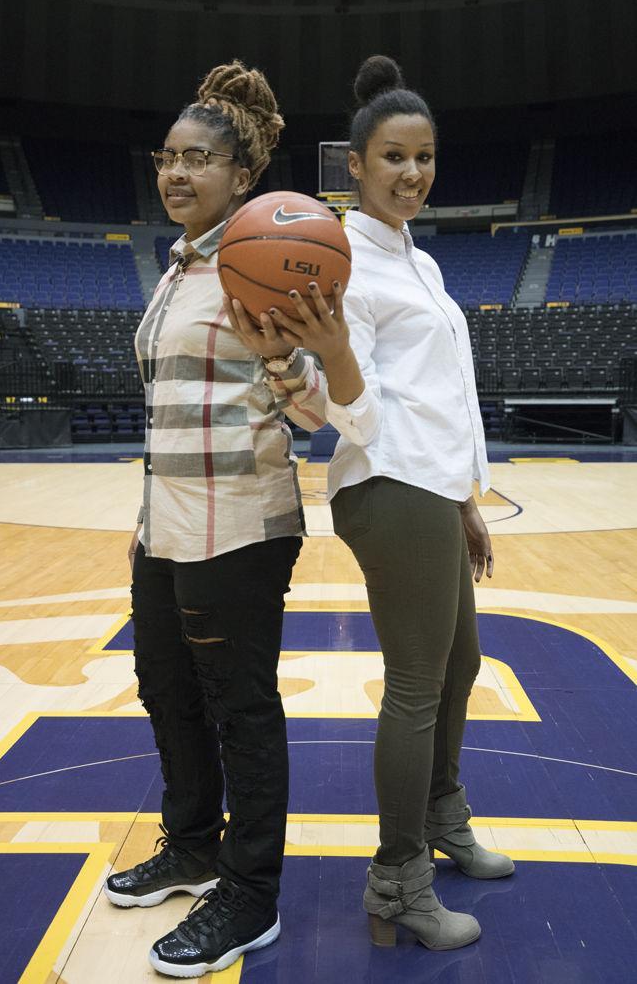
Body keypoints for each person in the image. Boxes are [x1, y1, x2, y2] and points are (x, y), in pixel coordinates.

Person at [264, 55, 515, 953]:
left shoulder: (425, 264)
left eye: (425, 157)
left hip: (431, 490)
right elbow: (355, 421)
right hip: (385, 485)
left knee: (461, 665)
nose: (412, 173)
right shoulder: (340, 265)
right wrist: (333, 355)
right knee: (416, 686)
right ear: (357, 167)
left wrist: (466, 499)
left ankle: (444, 821)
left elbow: (449, 395)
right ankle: (399, 881)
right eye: (394, 158)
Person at [103, 61, 329, 979]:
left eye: (198, 159)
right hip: (167, 525)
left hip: (240, 524)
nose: (176, 174)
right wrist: (145, 518)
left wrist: (284, 366)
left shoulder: (266, 257)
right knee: (166, 688)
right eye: (167, 157)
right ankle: (193, 843)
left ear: (245, 177)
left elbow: (316, 408)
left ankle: (250, 891)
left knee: (240, 707)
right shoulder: (176, 273)